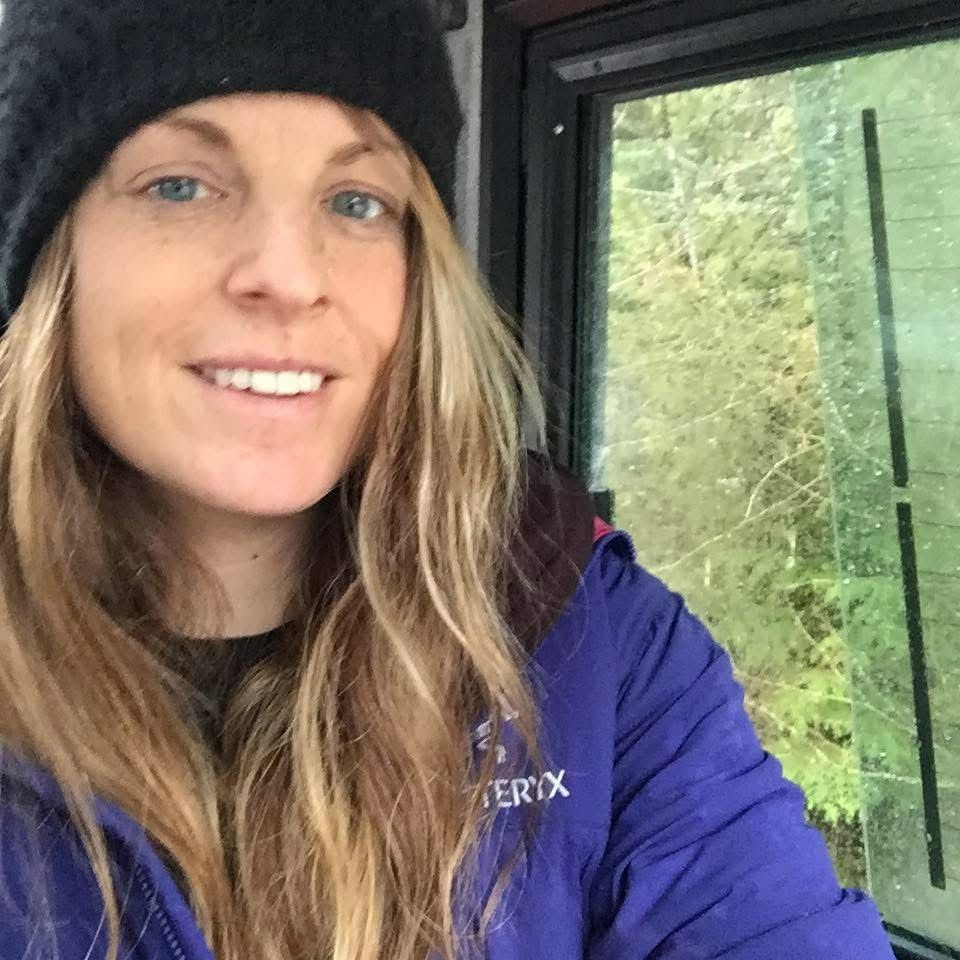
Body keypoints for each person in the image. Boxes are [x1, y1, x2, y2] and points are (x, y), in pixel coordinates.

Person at [0, 1, 896, 959]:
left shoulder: (594, 645)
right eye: (180, 184)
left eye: (357, 202)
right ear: (49, 256)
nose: (290, 275)